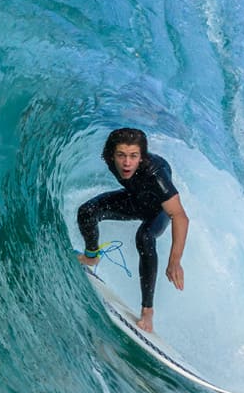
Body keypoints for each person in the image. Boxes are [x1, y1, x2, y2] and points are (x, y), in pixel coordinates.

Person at [77, 128, 189, 333]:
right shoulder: (112, 162)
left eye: (133, 156)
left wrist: (175, 261)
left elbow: (180, 216)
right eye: (121, 155)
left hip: (158, 210)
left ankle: (147, 313)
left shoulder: (155, 173)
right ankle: (91, 257)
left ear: (142, 157)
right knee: (87, 211)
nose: (127, 163)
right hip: (135, 201)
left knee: (145, 237)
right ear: (112, 155)